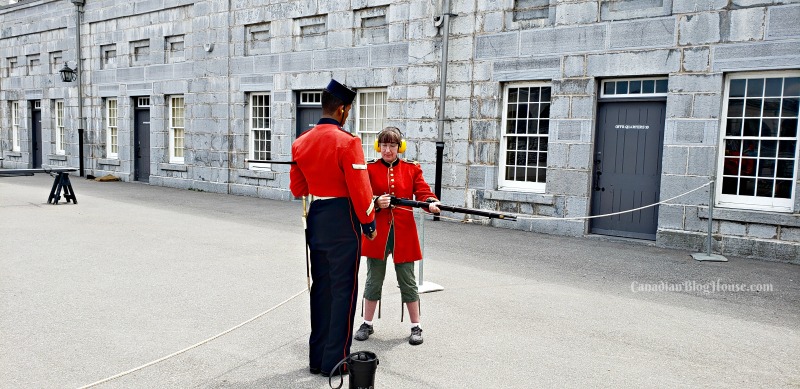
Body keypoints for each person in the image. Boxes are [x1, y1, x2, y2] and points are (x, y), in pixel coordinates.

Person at [290, 79, 377, 377]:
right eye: (349, 110)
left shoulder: (300, 141)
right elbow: (360, 189)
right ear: (342, 110)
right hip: (343, 219)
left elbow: (297, 188)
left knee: (322, 290)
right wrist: (369, 223)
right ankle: (335, 362)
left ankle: (316, 359)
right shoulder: (348, 142)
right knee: (344, 292)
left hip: (317, 216)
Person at [354, 126, 440, 346]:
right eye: (383, 145)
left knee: (408, 281)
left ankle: (415, 326)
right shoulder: (369, 169)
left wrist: (431, 202)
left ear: (399, 147)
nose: (387, 150)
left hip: (404, 234)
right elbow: (360, 197)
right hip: (377, 234)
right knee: (373, 280)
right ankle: (367, 323)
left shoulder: (412, 169)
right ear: (378, 146)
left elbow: (423, 192)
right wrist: (376, 202)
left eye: (392, 145)